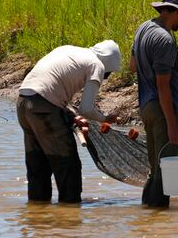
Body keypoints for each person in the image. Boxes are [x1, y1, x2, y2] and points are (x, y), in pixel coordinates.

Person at [17, 40, 122, 203]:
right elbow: (86, 109)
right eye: (109, 73)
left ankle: (37, 215)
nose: (106, 77)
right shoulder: (97, 65)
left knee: (38, 165)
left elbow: (53, 91)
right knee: (68, 165)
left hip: (23, 104)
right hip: (44, 109)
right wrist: (105, 119)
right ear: (107, 63)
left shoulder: (68, 50)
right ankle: (69, 214)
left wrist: (71, 114)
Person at [130, 0, 178, 208]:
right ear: (175, 12)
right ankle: (159, 226)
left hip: (147, 107)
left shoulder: (144, 28)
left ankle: (148, 216)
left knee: (155, 168)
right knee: (166, 169)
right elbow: (163, 87)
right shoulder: (164, 39)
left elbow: (134, 66)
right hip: (163, 110)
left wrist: (173, 60)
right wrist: (172, 126)